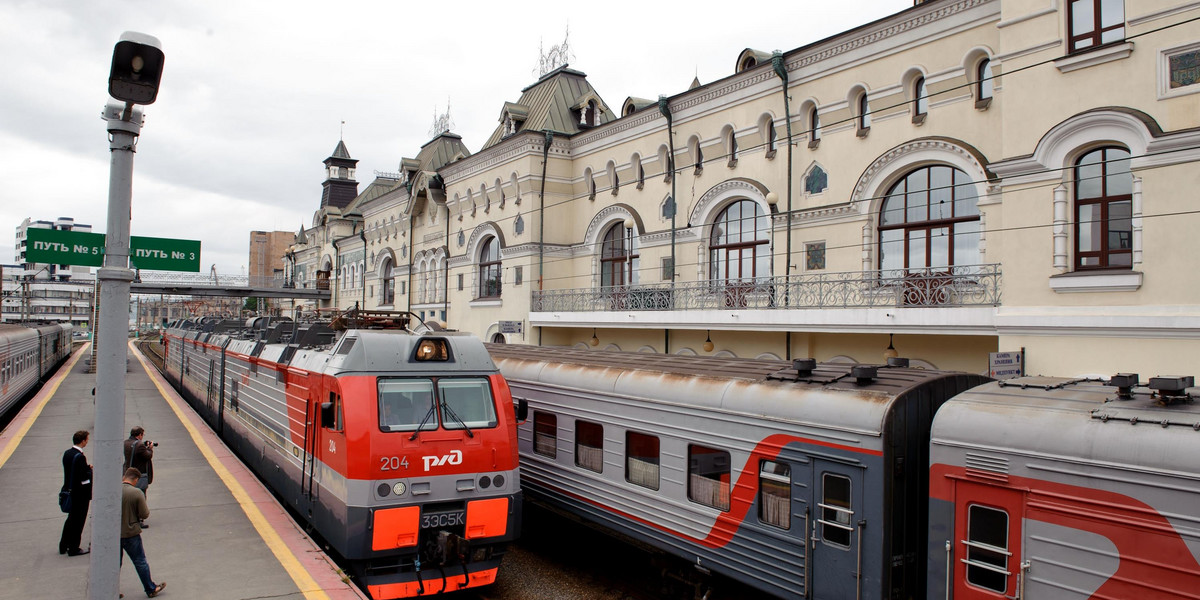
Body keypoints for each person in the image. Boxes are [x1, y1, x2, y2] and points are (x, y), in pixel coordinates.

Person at [121, 467, 166, 597]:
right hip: (131, 532)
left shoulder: (114, 489)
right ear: (135, 479)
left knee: (115, 563)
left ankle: (111, 589)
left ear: (125, 477)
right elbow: (144, 514)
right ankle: (150, 588)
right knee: (140, 561)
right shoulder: (136, 493)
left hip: (115, 534)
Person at [59, 430, 93, 556]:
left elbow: (72, 471)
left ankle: (63, 545)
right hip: (79, 495)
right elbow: (83, 479)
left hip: (68, 489)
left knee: (70, 520)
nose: (87, 442)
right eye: (87, 439)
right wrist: (88, 473)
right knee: (79, 521)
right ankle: (74, 548)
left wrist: (85, 467)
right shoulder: (80, 457)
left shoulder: (67, 453)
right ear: (83, 440)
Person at [123, 427, 155, 527]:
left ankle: (132, 517)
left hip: (128, 472)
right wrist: (150, 448)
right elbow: (147, 456)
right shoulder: (140, 445)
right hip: (139, 474)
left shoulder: (126, 443)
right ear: (139, 435)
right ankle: (139, 519)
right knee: (140, 495)